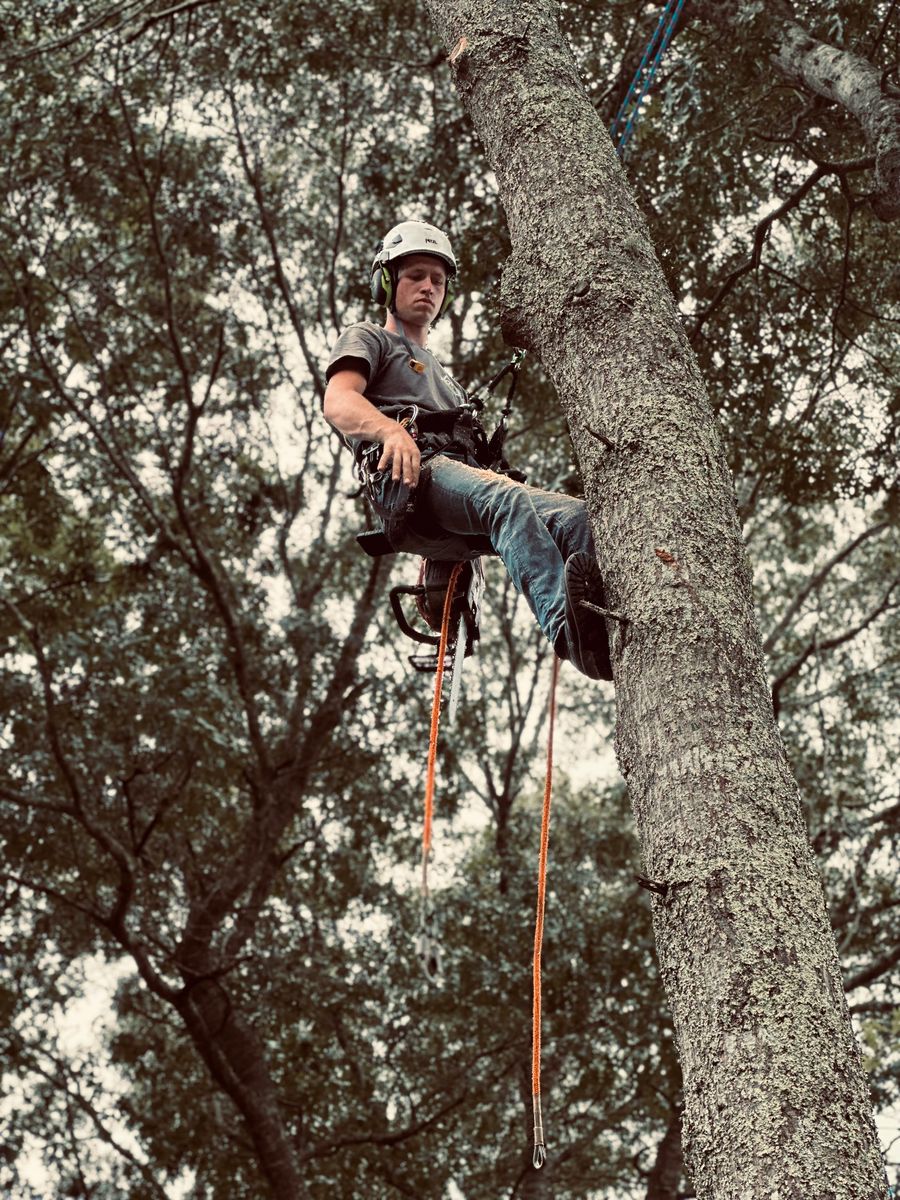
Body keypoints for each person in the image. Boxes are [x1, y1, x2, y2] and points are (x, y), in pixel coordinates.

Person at [323, 220, 612, 681]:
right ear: (386, 282)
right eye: (415, 275)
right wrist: (391, 432)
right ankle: (568, 634)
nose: (428, 287)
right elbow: (338, 401)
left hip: (457, 487)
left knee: (576, 518)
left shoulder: (449, 383)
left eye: (438, 281)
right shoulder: (370, 338)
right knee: (507, 502)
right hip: (411, 478)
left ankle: (603, 635)